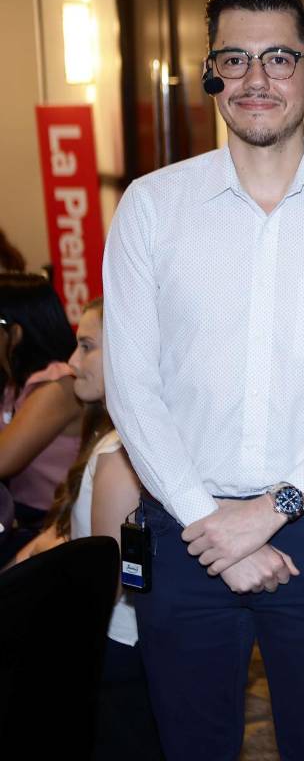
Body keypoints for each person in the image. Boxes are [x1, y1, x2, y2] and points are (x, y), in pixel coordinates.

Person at [102, 0, 304, 761]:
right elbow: (132, 386)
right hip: (182, 532)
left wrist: (271, 508)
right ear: (211, 74)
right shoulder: (150, 206)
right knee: (190, 747)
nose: (256, 79)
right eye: (234, 60)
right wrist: (210, 521)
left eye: (279, 58)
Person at [15, 297, 162, 759]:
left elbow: (116, 575)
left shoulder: (119, 451)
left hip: (117, 644)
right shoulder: (108, 436)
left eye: (87, 347)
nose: (73, 361)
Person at [0, 273, 81, 561]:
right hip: (20, 522)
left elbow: (4, 459)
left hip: (51, 529)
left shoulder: (59, 386)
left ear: (17, 333)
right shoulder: (14, 383)